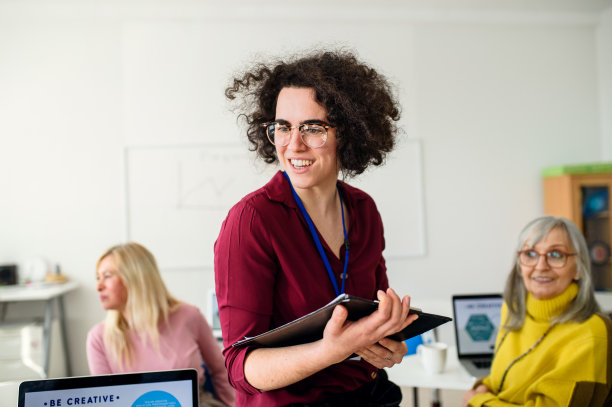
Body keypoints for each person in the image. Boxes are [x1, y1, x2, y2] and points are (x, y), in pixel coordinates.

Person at [214, 49, 418, 406]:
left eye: (313, 128)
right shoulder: (252, 220)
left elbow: (368, 321)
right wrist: (331, 350)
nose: (294, 144)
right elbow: (240, 369)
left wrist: (388, 343)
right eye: (283, 127)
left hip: (367, 395)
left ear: (349, 133)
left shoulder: (364, 210)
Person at [461, 216, 612, 407]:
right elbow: (506, 376)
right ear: (519, 263)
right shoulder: (513, 309)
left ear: (578, 268)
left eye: (556, 255)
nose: (541, 266)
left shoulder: (591, 333)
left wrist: (480, 402)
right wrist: (484, 387)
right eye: (530, 254)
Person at [86, 242, 235, 407]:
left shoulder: (189, 316)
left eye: (107, 276)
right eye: (98, 278)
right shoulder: (98, 337)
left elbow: (222, 370)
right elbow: (106, 400)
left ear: (136, 277)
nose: (98, 287)